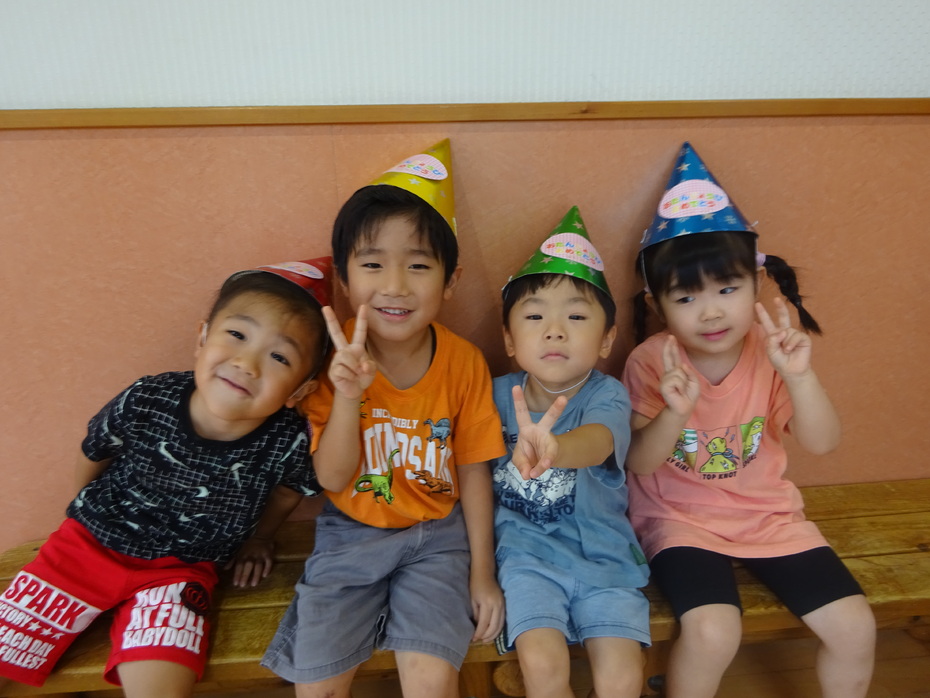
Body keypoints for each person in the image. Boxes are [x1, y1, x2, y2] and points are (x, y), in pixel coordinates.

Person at [0, 258, 332, 697]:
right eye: (237, 335)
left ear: (299, 391)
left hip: (181, 571)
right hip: (85, 547)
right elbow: (94, 449)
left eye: (279, 357)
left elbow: (289, 491)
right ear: (202, 337)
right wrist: (82, 516)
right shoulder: (148, 397)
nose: (247, 363)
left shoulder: (289, 438)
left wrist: (260, 539)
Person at [624, 143, 876, 698]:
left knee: (855, 626)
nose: (711, 311)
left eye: (727, 289)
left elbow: (822, 441)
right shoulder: (651, 361)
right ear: (657, 305)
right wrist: (676, 411)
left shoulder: (770, 350)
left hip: (768, 516)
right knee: (714, 632)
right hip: (679, 519)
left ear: (756, 285)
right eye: (686, 297)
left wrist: (800, 377)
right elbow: (637, 462)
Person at [262, 140, 506, 698]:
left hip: (440, 537)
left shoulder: (464, 362)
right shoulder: (332, 361)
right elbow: (330, 477)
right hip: (351, 534)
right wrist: (348, 395)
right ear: (344, 279)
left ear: (451, 280)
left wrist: (482, 573)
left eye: (418, 265)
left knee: (432, 682)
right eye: (373, 264)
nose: (395, 285)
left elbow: (473, 469)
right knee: (317, 688)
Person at [491, 207, 651, 698]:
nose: (555, 330)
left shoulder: (608, 393)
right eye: (534, 316)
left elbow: (600, 440)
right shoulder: (493, 395)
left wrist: (557, 447)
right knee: (541, 666)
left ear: (606, 340)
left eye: (576, 317)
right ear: (509, 339)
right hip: (526, 557)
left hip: (606, 557)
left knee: (622, 679)